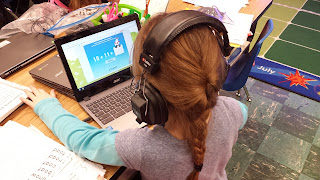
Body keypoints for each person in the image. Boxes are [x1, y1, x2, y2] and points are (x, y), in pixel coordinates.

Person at [21, 11, 248, 180]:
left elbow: (82, 141)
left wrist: (48, 106)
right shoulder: (233, 111)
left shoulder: (142, 147)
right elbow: (244, 113)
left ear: (149, 95)